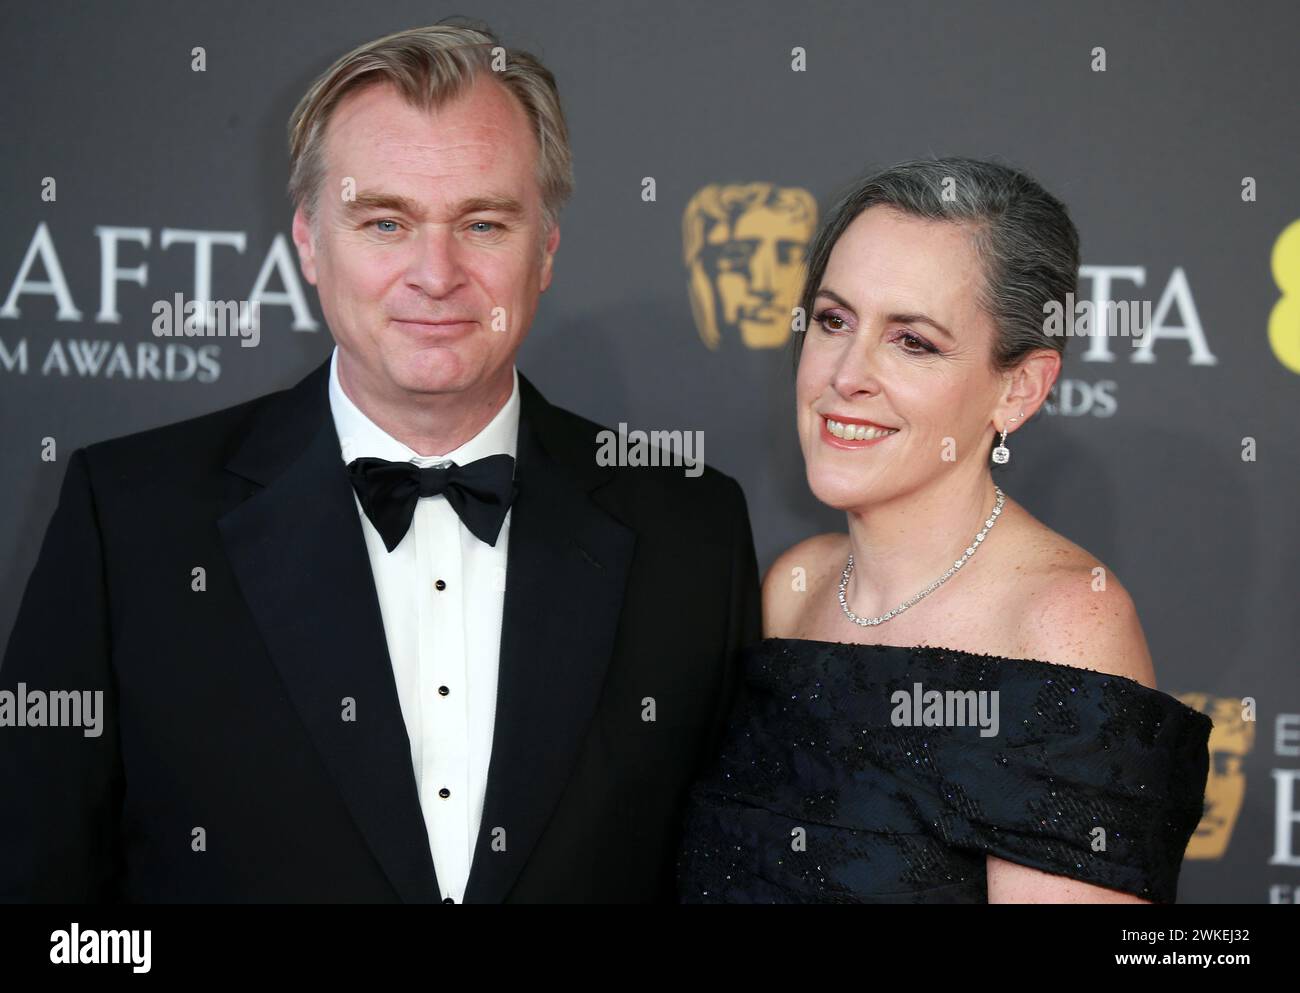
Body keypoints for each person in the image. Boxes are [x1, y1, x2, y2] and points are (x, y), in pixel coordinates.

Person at [0, 23, 760, 903]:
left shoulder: (692, 529)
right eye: (385, 221)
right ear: (309, 244)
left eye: (482, 221)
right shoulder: (129, 518)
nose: (435, 274)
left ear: (545, 249)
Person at [677, 157, 1211, 903]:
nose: (846, 374)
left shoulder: (1064, 624)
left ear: (1019, 388)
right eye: (834, 320)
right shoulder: (795, 585)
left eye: (913, 341)